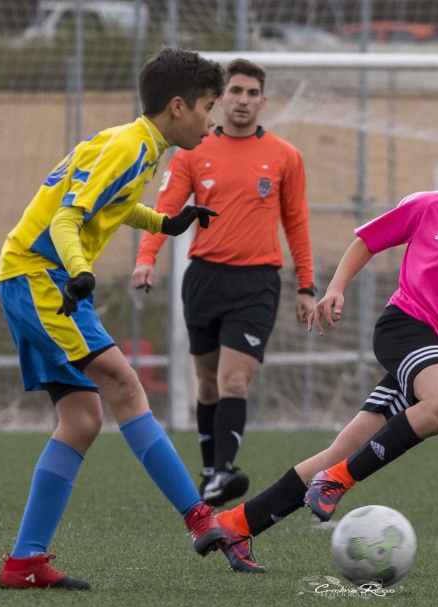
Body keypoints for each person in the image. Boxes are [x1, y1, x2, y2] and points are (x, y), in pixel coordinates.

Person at [211, 112, 438, 573]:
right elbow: (367, 241)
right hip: (405, 327)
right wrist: (336, 288)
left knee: (340, 451)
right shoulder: (429, 206)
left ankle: (235, 525)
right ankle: (338, 482)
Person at [0, 48, 229, 590]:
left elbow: (113, 205)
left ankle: (24, 562)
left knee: (82, 420)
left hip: (35, 276)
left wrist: (166, 223)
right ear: (177, 106)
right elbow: (67, 219)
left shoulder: (135, 144)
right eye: (207, 107)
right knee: (125, 384)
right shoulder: (130, 147)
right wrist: (80, 273)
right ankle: (199, 517)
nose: (211, 121)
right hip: (40, 276)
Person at [132, 58, 315, 507]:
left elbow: (296, 222)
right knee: (207, 384)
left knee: (234, 380)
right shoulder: (192, 152)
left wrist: (306, 286)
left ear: (262, 101)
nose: (243, 100)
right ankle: (211, 474)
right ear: (221, 97)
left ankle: (224, 469)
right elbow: (165, 211)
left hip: (256, 284)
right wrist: (146, 258)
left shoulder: (285, 156)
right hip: (204, 280)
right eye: (235, 91)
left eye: (252, 93)